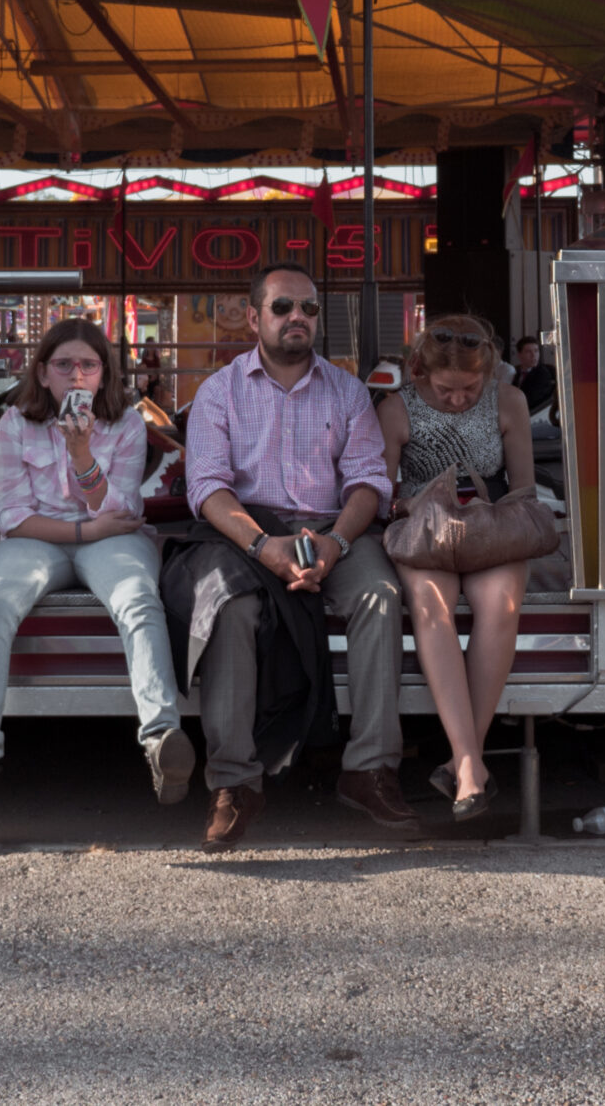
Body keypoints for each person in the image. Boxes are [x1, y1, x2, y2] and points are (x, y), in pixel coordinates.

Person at [168, 262, 412, 852]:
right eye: (283, 308)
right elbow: (206, 487)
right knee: (231, 610)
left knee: (380, 596)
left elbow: (368, 482)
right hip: (246, 533)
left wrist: (336, 543)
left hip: (331, 529)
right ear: (255, 317)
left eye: (307, 308)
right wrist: (262, 545)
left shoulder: (348, 390)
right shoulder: (219, 392)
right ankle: (234, 783)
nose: (297, 318)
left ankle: (369, 769)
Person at [0, 317, 193, 818]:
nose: (77, 376)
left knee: (138, 597)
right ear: (44, 373)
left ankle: (161, 738)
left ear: (103, 375)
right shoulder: (14, 423)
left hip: (113, 539)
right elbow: (12, 518)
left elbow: (123, 510)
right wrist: (83, 532)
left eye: (88, 366)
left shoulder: (130, 424)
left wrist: (81, 451)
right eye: (65, 364)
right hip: (42, 540)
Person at [377, 315, 537, 822]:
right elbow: (381, 490)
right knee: (431, 606)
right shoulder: (396, 407)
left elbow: (523, 487)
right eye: (447, 389)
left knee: (501, 604)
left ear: (489, 373)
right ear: (422, 373)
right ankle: (470, 764)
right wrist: (416, 504)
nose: (459, 399)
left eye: (471, 387)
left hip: (491, 524)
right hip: (424, 527)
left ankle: (466, 763)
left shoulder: (509, 400)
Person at [508, 333, 556, 419]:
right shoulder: (517, 373)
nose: (534, 355)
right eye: (528, 352)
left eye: (536, 351)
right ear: (519, 355)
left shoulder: (542, 374)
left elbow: (529, 400)